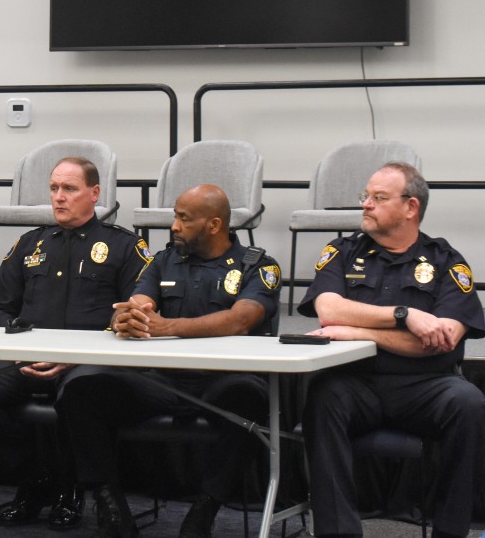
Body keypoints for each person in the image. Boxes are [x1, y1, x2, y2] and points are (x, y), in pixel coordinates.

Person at [57, 184, 281, 538]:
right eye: (175, 216)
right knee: (82, 391)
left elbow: (241, 319)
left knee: (251, 396)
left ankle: (205, 509)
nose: (174, 226)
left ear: (214, 224)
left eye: (184, 218)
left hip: (223, 379)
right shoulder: (164, 261)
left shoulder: (257, 265)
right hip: (163, 380)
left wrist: (165, 327)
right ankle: (110, 506)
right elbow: (137, 305)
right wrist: (125, 319)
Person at [0, 156, 149, 529]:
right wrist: (18, 348)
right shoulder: (31, 243)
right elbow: (0, 308)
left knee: (78, 396)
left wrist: (77, 356)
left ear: (94, 194)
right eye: (54, 188)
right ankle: (35, 476)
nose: (59, 197)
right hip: (27, 357)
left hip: (89, 361)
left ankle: (70, 487)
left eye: (69, 189)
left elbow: (131, 316)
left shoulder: (124, 247)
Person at [298, 162, 485, 538]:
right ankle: (337, 533)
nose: (365, 204)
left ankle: (450, 532)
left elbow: (443, 339)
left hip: (425, 385)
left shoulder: (446, 260)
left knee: (469, 403)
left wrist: (354, 329)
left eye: (378, 198)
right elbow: (328, 310)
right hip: (357, 383)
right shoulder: (342, 251)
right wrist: (405, 315)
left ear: (410, 207)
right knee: (323, 395)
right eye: (365, 196)